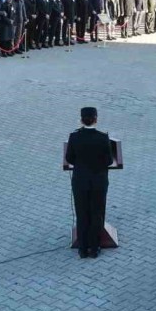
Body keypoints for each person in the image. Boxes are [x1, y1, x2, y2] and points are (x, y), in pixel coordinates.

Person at [65, 106, 114, 258]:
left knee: (81, 213)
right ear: (95, 119)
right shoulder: (102, 137)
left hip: (80, 181)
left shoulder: (74, 137)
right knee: (96, 213)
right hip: (98, 181)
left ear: (81, 120)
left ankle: (82, 248)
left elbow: (69, 158)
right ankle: (94, 248)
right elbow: (108, 160)